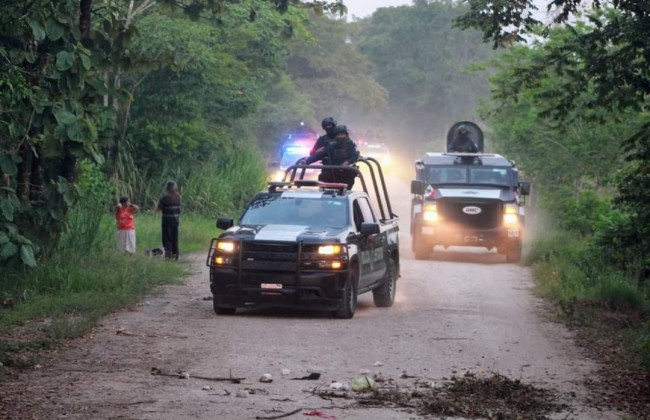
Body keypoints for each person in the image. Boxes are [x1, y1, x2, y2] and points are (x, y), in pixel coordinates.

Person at [305, 124, 360, 189]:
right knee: (323, 177)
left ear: (346, 135)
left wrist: (347, 162)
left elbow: (355, 156)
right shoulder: (332, 146)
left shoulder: (351, 145)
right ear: (335, 136)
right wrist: (307, 161)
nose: (340, 136)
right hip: (333, 174)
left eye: (342, 134)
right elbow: (320, 154)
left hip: (346, 175)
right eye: (338, 135)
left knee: (343, 191)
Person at [158, 180, 181, 260]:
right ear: (174, 187)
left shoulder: (164, 198)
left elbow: (159, 208)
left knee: (167, 238)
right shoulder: (178, 196)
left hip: (167, 221)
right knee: (175, 237)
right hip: (176, 220)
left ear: (167, 188)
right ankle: (176, 254)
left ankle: (169, 254)